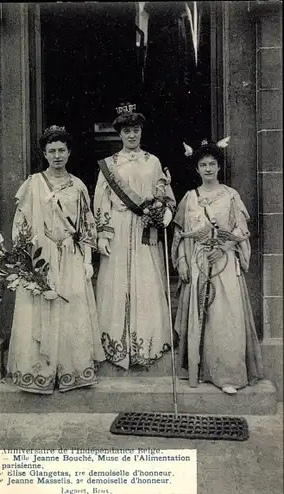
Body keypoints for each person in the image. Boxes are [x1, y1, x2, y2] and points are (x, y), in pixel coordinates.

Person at [7, 125, 105, 394]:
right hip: (41, 259)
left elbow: (87, 227)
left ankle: (71, 371)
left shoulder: (78, 186)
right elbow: (20, 223)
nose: (57, 155)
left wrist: (87, 260)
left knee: (70, 310)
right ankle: (39, 373)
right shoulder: (33, 184)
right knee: (40, 311)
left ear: (69, 152)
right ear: (44, 153)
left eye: (62, 150)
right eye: (52, 151)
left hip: (71, 258)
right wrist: (24, 260)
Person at [171, 138, 264, 394]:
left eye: (213, 164)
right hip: (199, 262)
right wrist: (182, 262)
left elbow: (241, 230)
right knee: (202, 316)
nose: (208, 169)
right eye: (203, 165)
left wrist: (224, 247)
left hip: (224, 263)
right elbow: (180, 234)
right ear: (197, 169)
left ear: (219, 167)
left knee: (226, 317)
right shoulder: (190, 198)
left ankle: (228, 376)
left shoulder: (231, 195)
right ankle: (201, 371)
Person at [94, 104, 176, 370]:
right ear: (120, 134)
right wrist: (103, 233)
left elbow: (164, 193)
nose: (131, 135)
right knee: (116, 282)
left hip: (144, 230)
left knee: (146, 281)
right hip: (117, 228)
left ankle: (147, 344)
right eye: (127, 131)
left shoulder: (153, 162)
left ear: (141, 132)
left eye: (136, 130)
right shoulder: (110, 164)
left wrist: (162, 211)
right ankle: (116, 347)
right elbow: (101, 200)